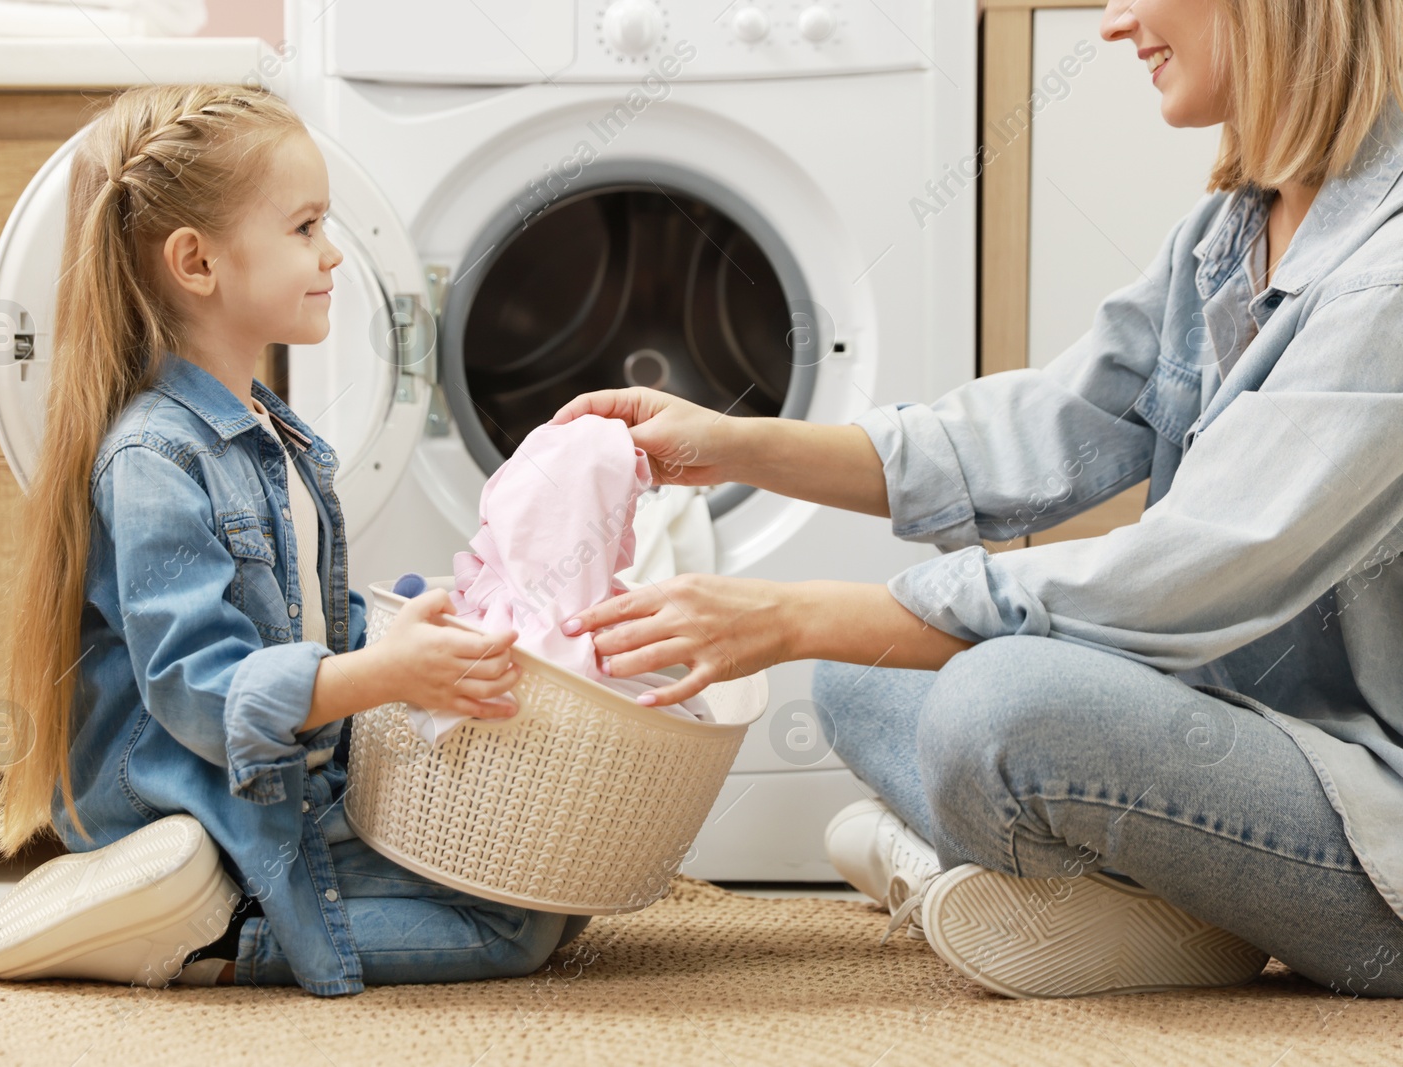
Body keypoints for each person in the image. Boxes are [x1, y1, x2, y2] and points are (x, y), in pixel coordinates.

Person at [551, 0, 1403, 999]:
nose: (1114, 23)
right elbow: (1038, 430)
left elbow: (1184, 577)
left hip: (1368, 822)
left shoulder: (1383, 274)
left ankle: (1030, 885)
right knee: (853, 674)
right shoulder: (1231, 229)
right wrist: (736, 444)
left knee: (994, 705)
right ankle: (1158, 911)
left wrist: (788, 615)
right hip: (1244, 739)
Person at [0, 83, 587, 995]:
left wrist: (398, 638)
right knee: (515, 923)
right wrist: (385, 676)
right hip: (195, 794)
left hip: (272, 771)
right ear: (199, 263)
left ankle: (213, 908)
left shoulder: (274, 435)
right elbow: (200, 691)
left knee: (552, 882)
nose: (333, 253)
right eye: (304, 228)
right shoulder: (153, 456)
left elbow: (298, 630)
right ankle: (207, 939)